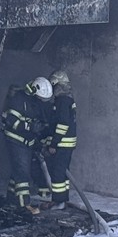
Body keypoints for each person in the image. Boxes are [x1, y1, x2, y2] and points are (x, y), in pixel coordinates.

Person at [0, 76, 53, 214]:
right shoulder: (19, 99)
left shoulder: (35, 102)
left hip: (27, 141)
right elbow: (11, 120)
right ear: (34, 92)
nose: (42, 102)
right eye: (41, 98)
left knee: (19, 169)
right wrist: (29, 127)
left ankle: (11, 198)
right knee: (23, 174)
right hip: (15, 140)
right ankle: (24, 205)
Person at [42, 69, 78, 210]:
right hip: (67, 143)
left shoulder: (62, 100)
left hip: (62, 144)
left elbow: (62, 124)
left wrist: (54, 143)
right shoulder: (67, 99)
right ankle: (63, 200)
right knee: (63, 172)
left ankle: (58, 202)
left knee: (57, 172)